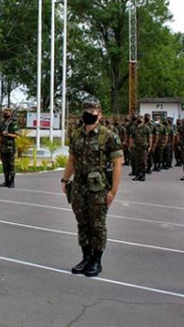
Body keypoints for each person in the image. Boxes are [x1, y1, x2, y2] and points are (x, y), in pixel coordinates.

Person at [61, 101, 123, 277]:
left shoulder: (109, 136)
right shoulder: (77, 134)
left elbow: (117, 164)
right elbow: (71, 159)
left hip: (98, 188)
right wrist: (65, 179)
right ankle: (85, 257)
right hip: (79, 187)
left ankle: (96, 260)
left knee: (97, 225)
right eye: (87, 111)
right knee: (83, 223)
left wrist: (113, 191)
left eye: (93, 111)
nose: (89, 114)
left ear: (100, 114)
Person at [0, 107, 18, 188]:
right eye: (4, 113)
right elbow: (0, 135)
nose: (5, 114)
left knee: (11, 165)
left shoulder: (13, 123)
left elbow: (16, 135)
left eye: (7, 113)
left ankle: (12, 181)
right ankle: (6, 181)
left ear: (10, 114)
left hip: (10, 147)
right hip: (3, 147)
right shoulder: (1, 124)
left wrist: (8, 134)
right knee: (4, 165)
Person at [129, 115, 152, 182]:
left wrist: (150, 146)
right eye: (138, 119)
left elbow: (150, 137)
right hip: (135, 146)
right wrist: (130, 146)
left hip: (143, 147)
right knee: (137, 161)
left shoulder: (146, 127)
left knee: (143, 161)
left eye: (140, 119)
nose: (139, 120)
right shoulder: (134, 128)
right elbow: (131, 137)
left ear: (143, 120)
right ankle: (138, 174)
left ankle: (143, 175)